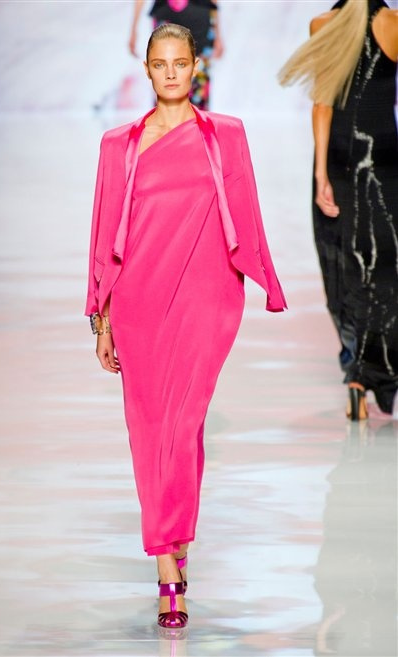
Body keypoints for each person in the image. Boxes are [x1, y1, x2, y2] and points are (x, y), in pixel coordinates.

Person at [85, 23, 286, 629]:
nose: (170, 73)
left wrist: (265, 280)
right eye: (160, 64)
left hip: (205, 297)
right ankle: (168, 561)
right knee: (152, 430)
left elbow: (246, 213)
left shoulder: (226, 136)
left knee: (185, 422)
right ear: (147, 69)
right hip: (139, 302)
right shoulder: (118, 146)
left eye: (180, 62)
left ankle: (173, 545)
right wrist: (101, 318)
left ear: (196, 66)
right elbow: (103, 232)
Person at [279, 0, 398, 420]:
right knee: (384, 268)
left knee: (344, 267)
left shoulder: (322, 24)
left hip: (341, 160)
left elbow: (322, 104)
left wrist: (320, 174)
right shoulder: (394, 24)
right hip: (384, 158)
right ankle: (380, 368)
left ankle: (357, 378)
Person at [129, 0, 223, 109]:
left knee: (171, 74)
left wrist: (134, 29)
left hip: (180, 16)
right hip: (187, 15)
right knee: (191, 74)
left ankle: (177, 115)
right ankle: (192, 115)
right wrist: (217, 33)